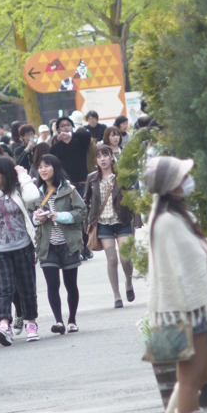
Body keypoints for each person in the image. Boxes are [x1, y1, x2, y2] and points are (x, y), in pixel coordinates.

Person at [142, 156, 207, 413]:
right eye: (183, 176)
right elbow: (176, 269)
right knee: (192, 376)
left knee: (199, 373)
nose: (189, 179)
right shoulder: (167, 222)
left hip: (192, 306)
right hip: (185, 308)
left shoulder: (174, 216)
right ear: (171, 186)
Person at [0, 156, 40, 346]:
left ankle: (31, 323)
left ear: (5, 174)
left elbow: (33, 196)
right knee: (4, 289)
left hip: (23, 246)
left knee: (28, 287)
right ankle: (4, 325)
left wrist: (22, 175)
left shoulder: (19, 188)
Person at [33, 155, 87, 334]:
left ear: (55, 168)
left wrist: (61, 216)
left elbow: (81, 211)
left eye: (46, 166)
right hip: (47, 245)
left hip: (68, 243)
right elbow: (29, 215)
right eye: (40, 167)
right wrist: (36, 218)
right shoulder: (35, 192)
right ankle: (58, 321)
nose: (43, 170)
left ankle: (72, 320)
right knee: (52, 284)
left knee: (70, 284)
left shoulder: (69, 189)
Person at [84, 145, 136, 308]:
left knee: (126, 257)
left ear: (111, 157)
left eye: (105, 155)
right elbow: (85, 201)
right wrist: (88, 222)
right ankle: (117, 295)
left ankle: (128, 282)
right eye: (99, 157)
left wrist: (138, 219)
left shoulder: (121, 176)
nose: (102, 159)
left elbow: (133, 197)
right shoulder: (92, 178)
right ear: (96, 160)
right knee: (112, 258)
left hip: (122, 220)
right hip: (103, 223)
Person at [51, 116, 93, 259]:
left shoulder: (79, 142)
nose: (65, 128)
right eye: (62, 126)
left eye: (68, 125)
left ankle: (86, 247)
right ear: (57, 129)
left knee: (83, 216)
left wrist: (71, 134)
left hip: (81, 185)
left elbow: (86, 134)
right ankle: (76, 249)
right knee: (70, 217)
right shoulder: (55, 147)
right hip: (66, 187)